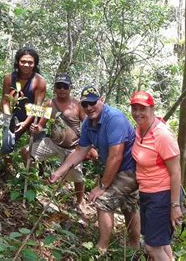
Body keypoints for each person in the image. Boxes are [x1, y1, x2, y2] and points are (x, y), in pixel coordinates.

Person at [49, 86, 140, 252]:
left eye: (93, 102)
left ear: (102, 100)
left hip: (130, 169)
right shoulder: (88, 124)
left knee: (103, 200)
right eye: (85, 104)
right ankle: (135, 246)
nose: (89, 107)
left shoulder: (114, 119)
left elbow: (116, 156)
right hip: (116, 168)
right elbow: (80, 151)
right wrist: (58, 172)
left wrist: (103, 186)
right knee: (129, 206)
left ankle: (101, 249)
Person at [28, 74, 98, 209]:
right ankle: (31, 183)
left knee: (77, 177)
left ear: (70, 88)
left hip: (73, 148)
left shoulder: (77, 104)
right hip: (53, 143)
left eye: (65, 87)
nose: (62, 90)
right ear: (54, 88)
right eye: (59, 86)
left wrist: (91, 146)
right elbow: (42, 123)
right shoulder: (49, 103)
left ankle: (79, 201)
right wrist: (37, 128)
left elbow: (88, 125)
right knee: (27, 152)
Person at [130, 91, 183, 260]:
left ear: (152, 109)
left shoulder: (162, 135)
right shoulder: (140, 130)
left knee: (152, 247)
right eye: (134, 108)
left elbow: (176, 173)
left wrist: (174, 206)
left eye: (142, 109)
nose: (138, 113)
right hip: (148, 194)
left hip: (163, 196)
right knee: (161, 243)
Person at [0, 47, 47, 176]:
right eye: (23, 61)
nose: (26, 65)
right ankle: (9, 171)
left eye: (30, 62)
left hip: (34, 117)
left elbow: (38, 107)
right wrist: (8, 117)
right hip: (15, 115)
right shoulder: (9, 78)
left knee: (38, 145)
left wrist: (26, 123)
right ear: (17, 62)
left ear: (35, 64)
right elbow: (5, 100)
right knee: (6, 145)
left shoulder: (39, 81)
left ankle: (40, 172)